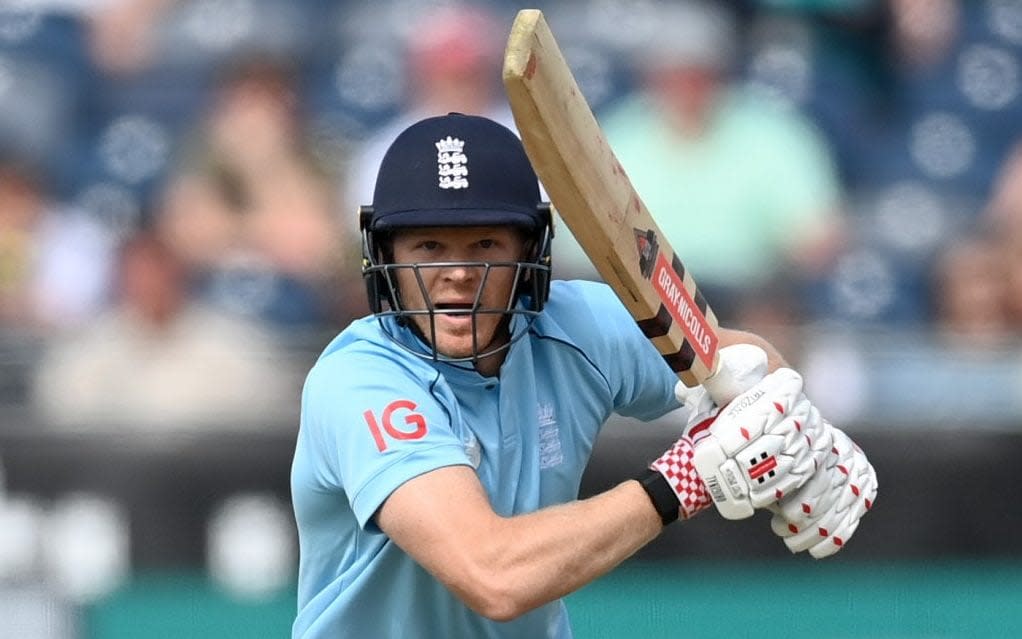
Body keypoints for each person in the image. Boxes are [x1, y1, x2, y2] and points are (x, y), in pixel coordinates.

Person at [290, 113, 877, 638]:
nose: (458, 275)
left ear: (531, 250)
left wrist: (803, 430)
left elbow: (734, 358)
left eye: (486, 244)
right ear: (385, 257)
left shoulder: (574, 323)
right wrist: (683, 480)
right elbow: (493, 574)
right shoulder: (360, 381)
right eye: (430, 247)